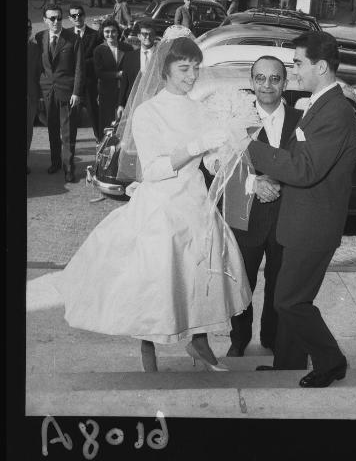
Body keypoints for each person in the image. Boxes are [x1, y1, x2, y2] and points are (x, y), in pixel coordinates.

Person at [56, 29, 252, 372]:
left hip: (195, 200)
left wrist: (224, 152)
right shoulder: (149, 113)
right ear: (164, 71)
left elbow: (208, 162)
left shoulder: (200, 109)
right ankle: (149, 346)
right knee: (157, 276)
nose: (192, 77)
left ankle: (199, 341)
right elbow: (156, 169)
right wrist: (196, 146)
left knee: (198, 271)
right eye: (184, 70)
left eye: (195, 69)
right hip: (161, 203)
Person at [245, 32, 356, 388]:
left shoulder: (335, 110)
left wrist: (248, 146)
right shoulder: (321, 103)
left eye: (298, 63)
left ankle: (331, 361)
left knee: (289, 302)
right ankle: (288, 366)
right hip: (302, 223)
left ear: (320, 66)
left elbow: (304, 169)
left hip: (314, 226)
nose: (294, 72)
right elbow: (300, 158)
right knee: (293, 299)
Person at [225, 56, 303, 357]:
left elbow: (307, 167)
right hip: (246, 220)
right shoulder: (235, 122)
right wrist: (253, 184)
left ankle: (272, 338)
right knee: (241, 284)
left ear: (285, 82)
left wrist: (281, 184)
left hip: (286, 220)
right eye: (260, 78)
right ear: (251, 81)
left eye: (274, 78)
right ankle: (239, 339)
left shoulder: (301, 121)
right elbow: (218, 173)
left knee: (279, 285)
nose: (266, 85)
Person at [35, 4, 85, 183]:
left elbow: (80, 67)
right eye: (52, 18)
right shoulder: (40, 37)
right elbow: (40, 66)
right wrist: (41, 91)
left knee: (68, 132)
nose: (56, 22)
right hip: (48, 91)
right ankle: (55, 162)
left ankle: (69, 168)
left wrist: (76, 92)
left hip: (67, 92)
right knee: (52, 129)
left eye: (58, 18)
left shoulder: (73, 38)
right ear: (45, 21)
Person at [65, 4, 102, 142]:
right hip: (71, 84)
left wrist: (80, 65)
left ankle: (100, 141)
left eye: (80, 14)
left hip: (88, 82)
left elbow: (97, 58)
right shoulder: (66, 34)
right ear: (69, 18)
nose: (77, 17)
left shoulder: (95, 35)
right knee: (71, 117)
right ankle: (69, 143)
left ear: (84, 15)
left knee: (93, 114)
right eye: (74, 15)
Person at [93, 18, 134, 137]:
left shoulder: (127, 48)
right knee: (107, 125)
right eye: (107, 31)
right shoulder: (99, 50)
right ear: (103, 33)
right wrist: (118, 75)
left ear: (118, 32)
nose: (110, 34)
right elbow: (99, 73)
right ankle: (104, 152)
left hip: (124, 92)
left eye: (113, 31)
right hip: (106, 92)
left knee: (124, 123)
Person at [116, 21, 157, 120]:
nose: (147, 37)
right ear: (139, 36)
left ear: (155, 36)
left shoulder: (161, 55)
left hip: (155, 103)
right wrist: (121, 104)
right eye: (144, 34)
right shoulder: (129, 56)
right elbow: (124, 82)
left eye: (151, 34)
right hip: (134, 102)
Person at [27, 18, 42, 175]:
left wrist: (40, 96)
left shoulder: (35, 48)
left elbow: (39, 73)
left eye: (28, 28)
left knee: (27, 131)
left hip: (30, 96)